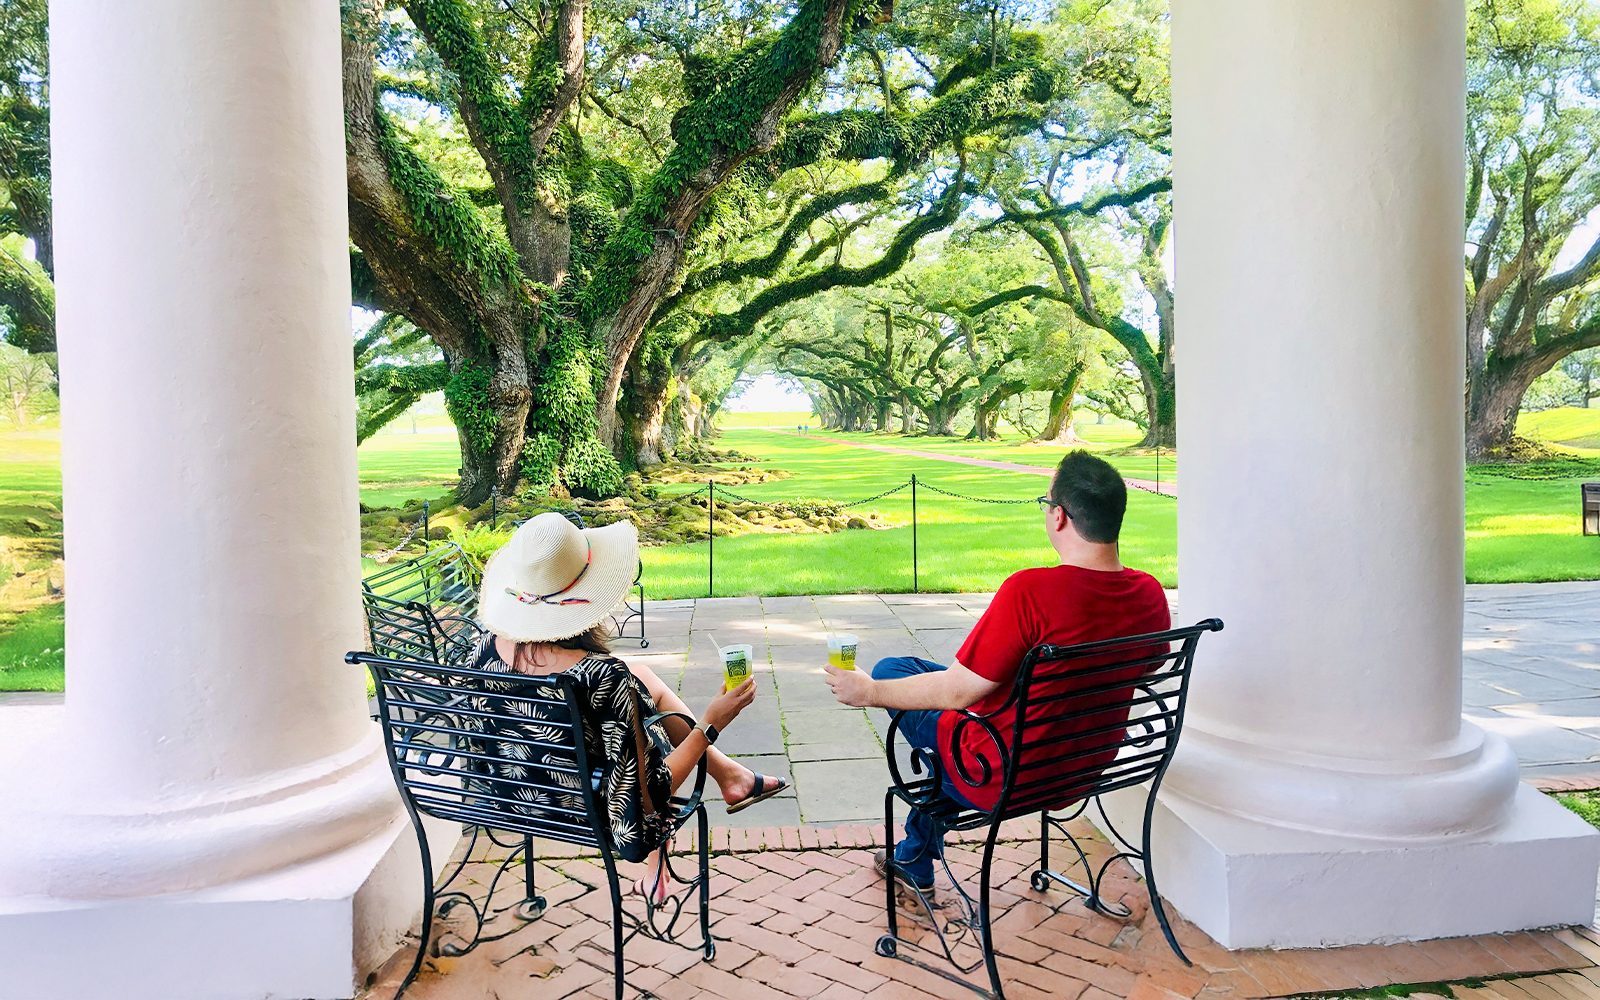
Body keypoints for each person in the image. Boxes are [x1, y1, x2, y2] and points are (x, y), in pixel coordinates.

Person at [824, 450, 1170, 891]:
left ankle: (914, 855)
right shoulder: (1149, 593)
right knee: (916, 673)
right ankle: (912, 855)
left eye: (1045, 503)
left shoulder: (1031, 592)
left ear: (1059, 517)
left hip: (1000, 772)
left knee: (891, 672)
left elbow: (954, 693)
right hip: (1082, 765)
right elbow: (1147, 668)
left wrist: (869, 693)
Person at [470, 512, 789, 901]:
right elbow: (644, 799)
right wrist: (710, 724)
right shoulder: (603, 679)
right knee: (640, 707)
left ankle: (730, 776)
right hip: (582, 811)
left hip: (510, 797)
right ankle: (725, 780)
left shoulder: (484, 650)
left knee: (644, 676)